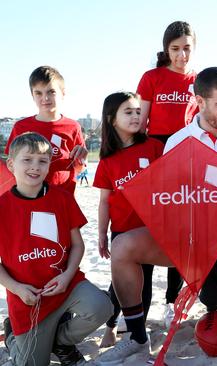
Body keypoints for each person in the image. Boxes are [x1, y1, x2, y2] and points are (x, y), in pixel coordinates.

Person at [96, 67, 217, 364]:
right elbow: (171, 202)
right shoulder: (177, 141)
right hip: (193, 243)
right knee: (123, 247)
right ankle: (136, 337)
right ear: (200, 100)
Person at [0, 132, 112, 366]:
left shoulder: (61, 198)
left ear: (49, 165)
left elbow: (78, 245)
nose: (35, 166)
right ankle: (13, 339)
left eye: (42, 161)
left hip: (65, 285)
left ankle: (60, 341)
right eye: (27, 159)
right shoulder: (2, 207)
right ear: (11, 164)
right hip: (27, 299)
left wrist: (67, 276)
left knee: (102, 307)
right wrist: (17, 288)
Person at [137, 20, 199, 325]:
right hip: (157, 153)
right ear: (166, 49)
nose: (182, 55)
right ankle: (137, 304)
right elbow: (140, 124)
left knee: (182, 230)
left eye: (187, 48)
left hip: (188, 157)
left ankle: (172, 299)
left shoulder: (199, 80)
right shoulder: (152, 77)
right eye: (175, 49)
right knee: (152, 225)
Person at [92, 92, 164, 348]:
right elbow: (104, 201)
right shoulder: (108, 160)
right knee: (120, 285)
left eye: (137, 111)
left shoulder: (154, 147)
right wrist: (102, 233)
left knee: (145, 282)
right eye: (128, 112)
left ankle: (138, 331)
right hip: (122, 232)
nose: (136, 116)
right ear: (112, 119)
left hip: (150, 231)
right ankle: (111, 326)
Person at [5, 66, 87, 195]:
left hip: (62, 196)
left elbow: (79, 167)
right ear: (32, 95)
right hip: (28, 196)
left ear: (63, 93)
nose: (45, 98)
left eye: (51, 92)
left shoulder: (73, 127)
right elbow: (10, 165)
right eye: (39, 93)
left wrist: (81, 160)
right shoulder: (21, 127)